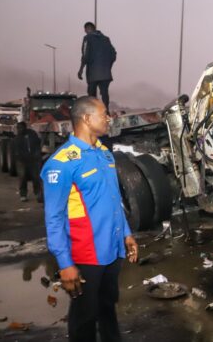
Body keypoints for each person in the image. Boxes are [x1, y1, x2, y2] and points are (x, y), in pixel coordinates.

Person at [41, 96, 138, 342]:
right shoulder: (62, 163)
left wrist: (126, 235)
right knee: (84, 318)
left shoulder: (104, 153)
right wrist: (65, 264)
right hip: (87, 255)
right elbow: (54, 218)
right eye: (104, 113)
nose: (108, 118)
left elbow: (115, 200)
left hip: (113, 249)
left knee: (107, 308)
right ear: (86, 118)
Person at [78, 22, 117, 112]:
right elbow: (113, 54)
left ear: (88, 28)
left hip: (93, 73)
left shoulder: (87, 38)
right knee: (104, 93)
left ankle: (94, 113)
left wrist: (81, 70)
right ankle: (106, 112)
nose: (85, 31)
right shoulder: (106, 39)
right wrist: (108, 66)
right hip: (105, 73)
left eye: (85, 29)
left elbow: (85, 55)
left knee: (91, 95)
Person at [14, 122, 42, 202]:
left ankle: (37, 193)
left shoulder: (32, 134)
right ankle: (23, 195)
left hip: (33, 160)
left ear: (25, 127)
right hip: (22, 161)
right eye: (18, 128)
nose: (19, 129)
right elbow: (16, 151)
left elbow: (37, 144)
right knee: (22, 178)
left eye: (21, 128)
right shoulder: (17, 138)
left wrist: (37, 155)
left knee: (36, 177)